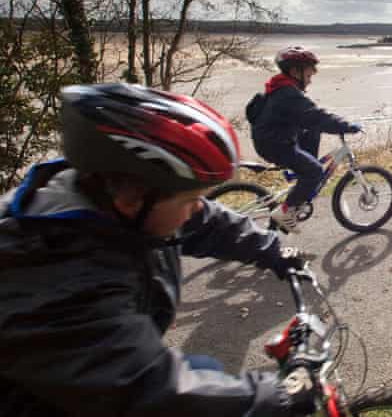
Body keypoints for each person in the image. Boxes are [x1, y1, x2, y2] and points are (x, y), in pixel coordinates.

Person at [0, 83, 316, 416]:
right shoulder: (53, 273)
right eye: (191, 199)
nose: (198, 209)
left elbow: (205, 221)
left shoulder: (113, 202)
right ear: (131, 199)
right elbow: (149, 392)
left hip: (80, 392)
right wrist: (278, 397)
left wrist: (271, 250)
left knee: (203, 368)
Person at [249, 46, 361, 233]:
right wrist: (345, 125)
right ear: (295, 72)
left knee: (312, 132)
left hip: (271, 138)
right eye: (308, 76)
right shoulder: (288, 93)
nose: (309, 82)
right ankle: (285, 211)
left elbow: (308, 118)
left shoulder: (280, 88)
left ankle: (301, 180)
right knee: (316, 171)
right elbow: (316, 115)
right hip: (276, 144)